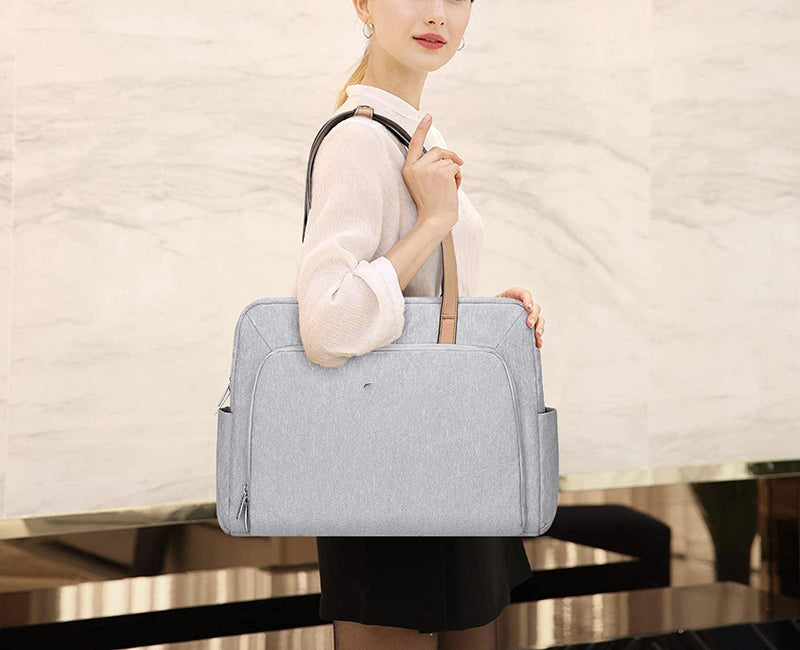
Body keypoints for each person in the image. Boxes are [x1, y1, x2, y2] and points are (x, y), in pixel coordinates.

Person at [292, 1, 546, 648]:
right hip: (388, 469)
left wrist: (484, 314)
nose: (436, 13)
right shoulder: (357, 140)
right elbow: (327, 323)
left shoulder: (411, 132)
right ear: (364, 4)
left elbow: (408, 295)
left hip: (446, 452)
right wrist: (434, 222)